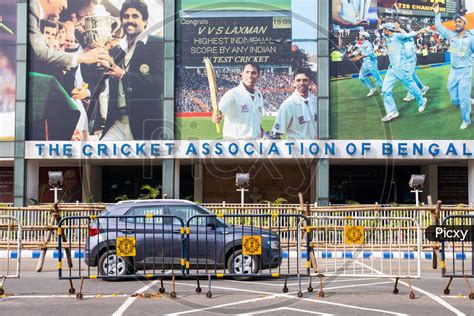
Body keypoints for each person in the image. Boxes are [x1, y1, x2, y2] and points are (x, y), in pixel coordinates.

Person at [100, 0, 164, 140]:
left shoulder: (157, 44)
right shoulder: (114, 51)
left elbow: (160, 83)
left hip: (145, 124)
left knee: (144, 163)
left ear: (145, 21)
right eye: (126, 16)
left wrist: (123, 75)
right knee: (100, 158)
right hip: (116, 123)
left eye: (135, 16)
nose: (130, 20)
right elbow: (97, 82)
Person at [29, 0, 109, 71]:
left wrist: (81, 55)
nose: (66, 5)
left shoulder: (33, 13)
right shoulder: (31, 9)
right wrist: (82, 58)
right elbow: (41, 53)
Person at [433, 3, 474, 129]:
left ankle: (466, 119)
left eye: (459, 21)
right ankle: (468, 100)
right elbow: (439, 27)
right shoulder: (451, 35)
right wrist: (437, 13)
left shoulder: (471, 38)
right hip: (454, 71)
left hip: (466, 71)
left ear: (464, 24)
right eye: (456, 21)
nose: (457, 23)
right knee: (454, 98)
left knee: (462, 98)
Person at [380, 22, 428, 122]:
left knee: (411, 85)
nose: (382, 31)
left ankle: (422, 101)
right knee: (385, 90)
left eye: (384, 29)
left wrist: (419, 31)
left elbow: (408, 35)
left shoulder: (397, 36)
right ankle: (392, 112)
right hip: (391, 68)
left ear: (387, 30)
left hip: (400, 68)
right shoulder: (388, 39)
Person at [212, 63, 264, 139]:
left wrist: (265, 134)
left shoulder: (258, 94)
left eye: (253, 73)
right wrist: (216, 116)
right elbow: (218, 112)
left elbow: (255, 122)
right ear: (241, 74)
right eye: (247, 72)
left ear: (258, 76)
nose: (250, 76)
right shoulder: (232, 94)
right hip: (235, 145)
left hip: (254, 145)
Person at [271, 68, 318, 139]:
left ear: (310, 82)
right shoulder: (288, 104)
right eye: (298, 80)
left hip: (316, 148)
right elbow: (276, 134)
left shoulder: (317, 102)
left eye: (305, 80)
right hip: (296, 149)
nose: (301, 83)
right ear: (293, 82)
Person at [350, 31, 383, 97]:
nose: (359, 35)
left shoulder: (368, 43)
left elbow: (369, 53)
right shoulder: (360, 43)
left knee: (377, 77)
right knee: (361, 77)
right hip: (365, 62)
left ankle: (383, 89)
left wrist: (358, 57)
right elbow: (358, 50)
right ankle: (372, 88)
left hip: (371, 62)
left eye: (361, 35)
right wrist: (352, 55)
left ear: (364, 37)